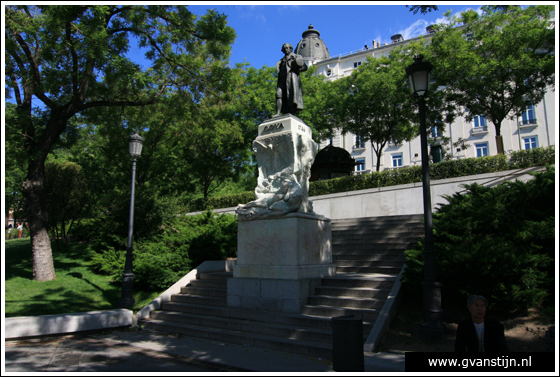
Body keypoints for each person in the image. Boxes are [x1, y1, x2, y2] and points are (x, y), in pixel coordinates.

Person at [274, 43, 308, 116]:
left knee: (291, 96)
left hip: (291, 79)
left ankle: (291, 112)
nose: (286, 49)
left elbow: (305, 67)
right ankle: (278, 113)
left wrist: (297, 69)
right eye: (284, 48)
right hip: (282, 80)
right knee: (278, 94)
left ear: (290, 48)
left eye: (287, 48)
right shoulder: (281, 61)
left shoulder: (296, 57)